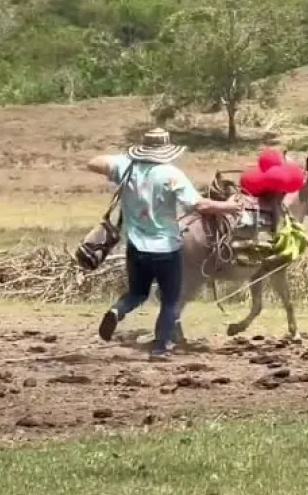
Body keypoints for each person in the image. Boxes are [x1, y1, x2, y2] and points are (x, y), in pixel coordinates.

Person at [87, 127, 242, 359]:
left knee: (137, 294)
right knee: (171, 299)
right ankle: (160, 348)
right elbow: (199, 206)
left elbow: (93, 162)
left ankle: (116, 311)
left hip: (136, 246)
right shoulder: (172, 175)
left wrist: (125, 160)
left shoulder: (127, 167)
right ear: (166, 149)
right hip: (166, 248)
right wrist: (229, 206)